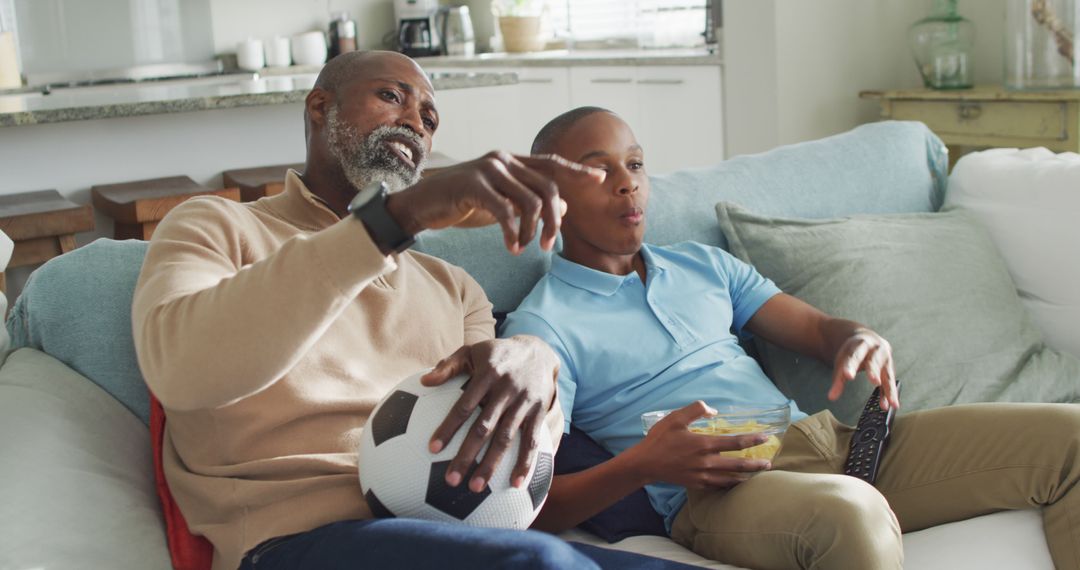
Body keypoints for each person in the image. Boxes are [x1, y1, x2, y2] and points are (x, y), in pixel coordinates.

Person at [132, 52, 698, 570]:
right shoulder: (217, 225)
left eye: (429, 118)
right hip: (300, 541)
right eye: (391, 96)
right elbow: (182, 367)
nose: (415, 122)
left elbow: (522, 464)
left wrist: (536, 363)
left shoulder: (452, 287)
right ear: (319, 108)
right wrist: (397, 218)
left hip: (454, 536)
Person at [501, 106, 1080, 570]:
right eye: (602, 170)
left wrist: (858, 337)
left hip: (829, 441)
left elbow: (818, 330)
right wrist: (643, 466)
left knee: (1070, 438)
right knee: (851, 516)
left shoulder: (704, 265)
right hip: (723, 494)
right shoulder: (543, 329)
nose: (629, 185)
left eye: (636, 164)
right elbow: (521, 502)